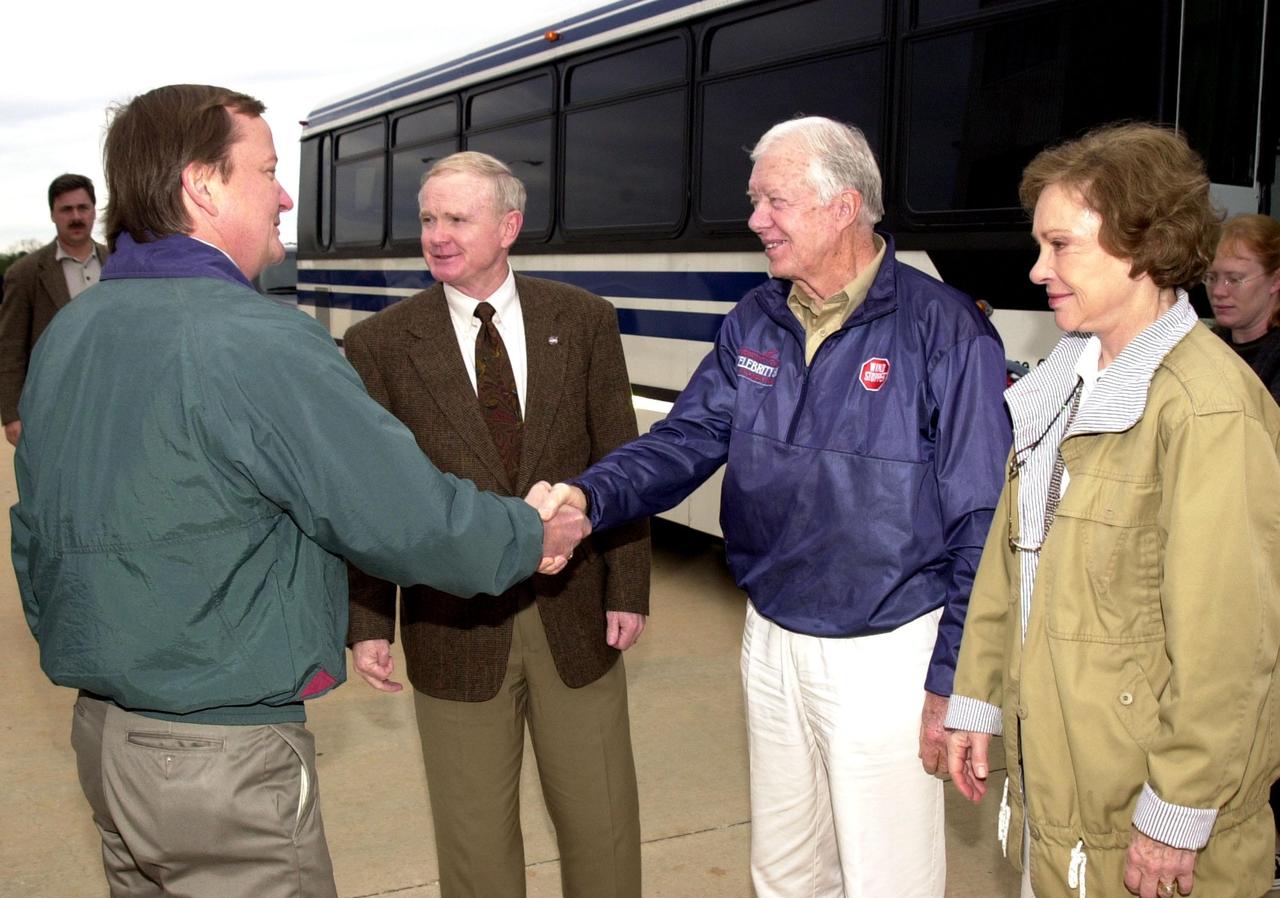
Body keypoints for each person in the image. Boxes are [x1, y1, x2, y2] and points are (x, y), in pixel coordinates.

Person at [11, 84, 587, 898]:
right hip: (219, 767)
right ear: (202, 186)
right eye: (268, 171)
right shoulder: (252, 337)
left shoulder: (74, 332)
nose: (285, 194)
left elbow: (34, 540)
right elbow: (404, 514)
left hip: (107, 744)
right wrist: (531, 534)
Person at [536, 116, 1010, 897]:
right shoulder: (756, 318)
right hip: (772, 634)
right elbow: (684, 442)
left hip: (888, 646)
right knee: (785, 870)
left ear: (842, 206)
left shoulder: (945, 332)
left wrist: (955, 678)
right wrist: (589, 499)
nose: (756, 221)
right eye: (755, 201)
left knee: (885, 877)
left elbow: (981, 520)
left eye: (774, 201)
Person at [944, 124, 1280, 898]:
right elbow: (1011, 563)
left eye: (1060, 246)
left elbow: (1230, 647)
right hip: (1067, 810)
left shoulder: (1207, 412)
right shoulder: (1061, 386)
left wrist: (1177, 814)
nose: (1038, 270)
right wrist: (978, 699)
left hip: (1146, 828)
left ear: (1144, 245)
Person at [344, 151, 650, 898]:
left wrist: (629, 586)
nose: (437, 236)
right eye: (427, 220)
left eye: (457, 218)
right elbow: (373, 497)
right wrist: (369, 619)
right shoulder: (380, 345)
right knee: (475, 844)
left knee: (601, 826)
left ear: (509, 226)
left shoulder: (583, 321)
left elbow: (620, 460)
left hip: (575, 617)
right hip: (453, 627)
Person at [0, 173, 108, 445]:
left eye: (83, 208)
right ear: (52, 214)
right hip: (53, 407)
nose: (76, 216)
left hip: (112, 403)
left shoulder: (120, 263)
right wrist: (12, 415)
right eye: (66, 209)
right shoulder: (25, 274)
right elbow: (10, 348)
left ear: (94, 211)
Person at [1207, 213, 1280, 405]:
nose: (1218, 291)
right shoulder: (1208, 344)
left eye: (1234, 279)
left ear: (1276, 281)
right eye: (1212, 278)